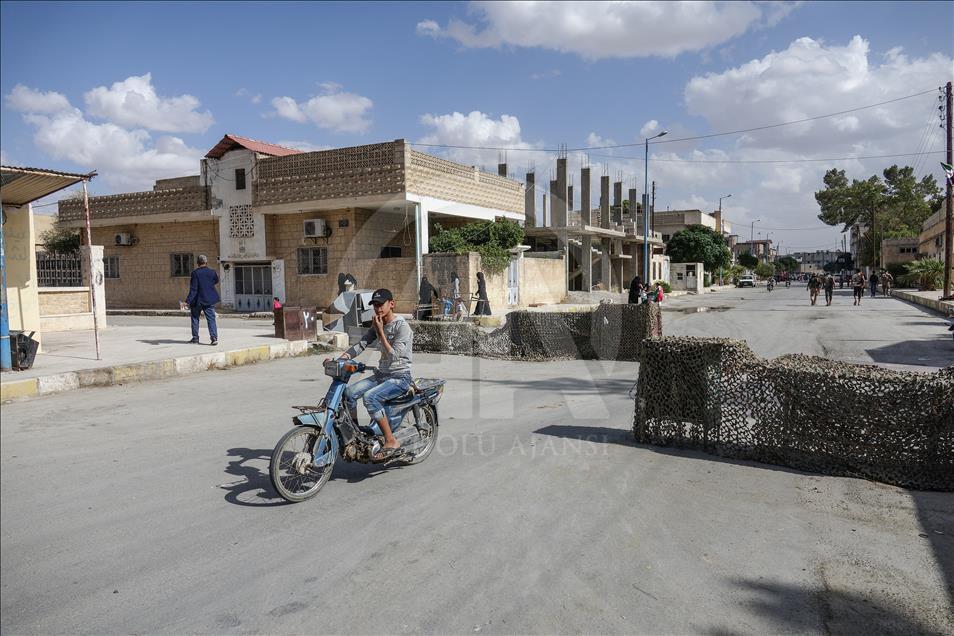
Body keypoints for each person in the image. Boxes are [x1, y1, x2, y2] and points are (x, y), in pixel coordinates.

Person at [340, 289, 413, 460]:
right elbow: (362, 344)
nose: (377, 308)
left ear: (391, 304)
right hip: (382, 374)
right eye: (374, 305)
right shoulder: (377, 323)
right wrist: (340, 358)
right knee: (348, 393)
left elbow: (394, 355)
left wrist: (380, 331)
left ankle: (390, 440)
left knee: (370, 397)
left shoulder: (402, 326)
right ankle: (355, 435)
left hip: (400, 377)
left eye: (380, 304)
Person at [185, 255, 220, 345]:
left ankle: (195, 338)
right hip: (208, 299)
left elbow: (193, 289)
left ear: (197, 263)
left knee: (195, 318)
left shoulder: (195, 273)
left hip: (197, 300)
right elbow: (216, 281)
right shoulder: (212, 272)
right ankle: (214, 338)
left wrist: (187, 301)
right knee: (211, 319)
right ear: (206, 262)